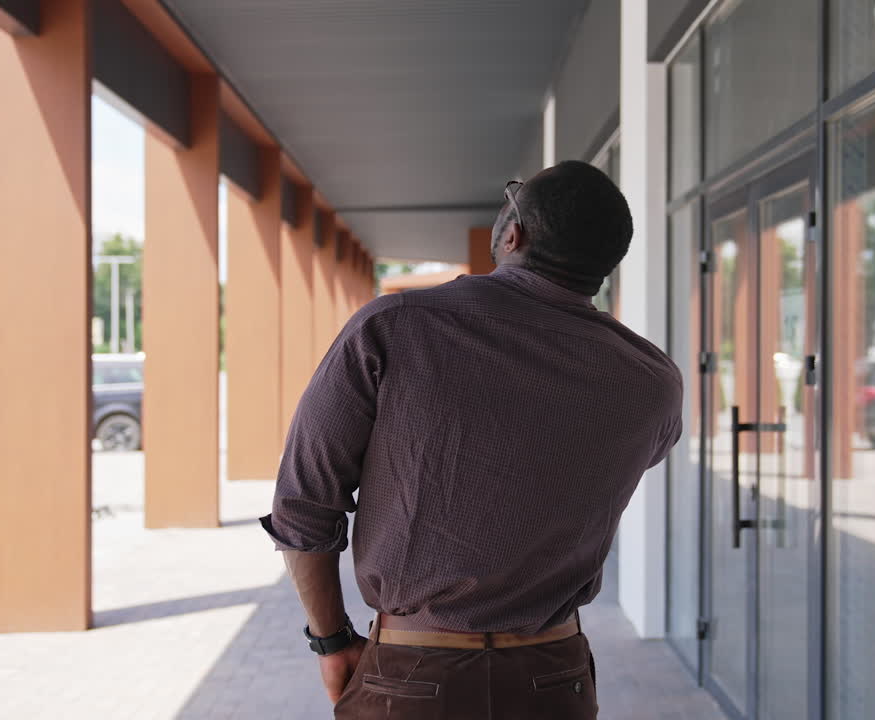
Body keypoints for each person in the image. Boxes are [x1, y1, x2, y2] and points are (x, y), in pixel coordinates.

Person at [260, 160, 682, 719]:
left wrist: (332, 642)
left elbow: (304, 505)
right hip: (554, 678)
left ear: (514, 234)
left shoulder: (395, 327)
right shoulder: (651, 378)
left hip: (412, 676)